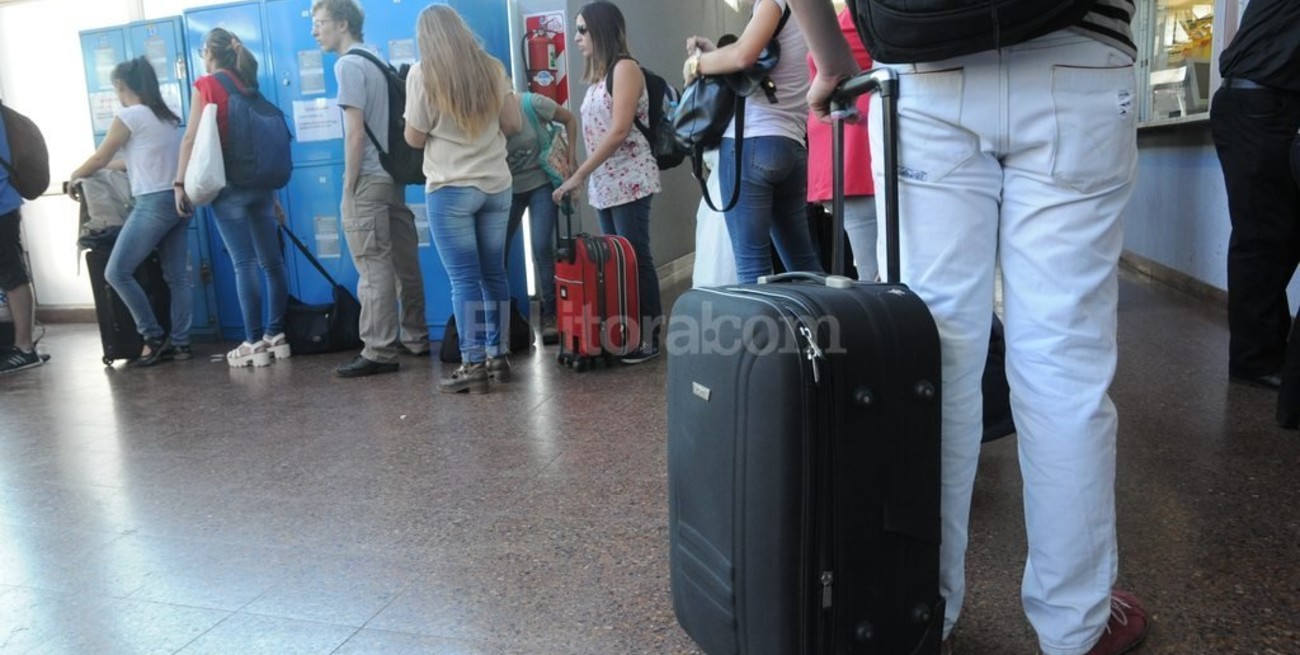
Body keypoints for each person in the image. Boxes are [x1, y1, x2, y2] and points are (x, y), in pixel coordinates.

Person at [790, 1, 1148, 654]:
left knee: (936, 359)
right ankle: (1075, 625)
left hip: (925, 65)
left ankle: (923, 610)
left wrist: (833, 59)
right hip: (1079, 46)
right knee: (1063, 364)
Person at [405, 4, 521, 394]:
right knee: (494, 274)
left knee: (464, 279)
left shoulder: (423, 74)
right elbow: (513, 124)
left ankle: (472, 363)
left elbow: (414, 137)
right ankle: (499, 356)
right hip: (495, 186)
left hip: (451, 189)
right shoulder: (491, 67)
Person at [311, 0, 429, 378]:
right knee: (404, 263)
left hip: (369, 179)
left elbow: (355, 134)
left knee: (372, 264)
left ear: (343, 24)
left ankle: (378, 350)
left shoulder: (347, 64)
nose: (315, 31)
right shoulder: (376, 58)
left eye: (321, 22)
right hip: (392, 178)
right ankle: (415, 337)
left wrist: (349, 185)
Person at [552, 0, 663, 364]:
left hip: (630, 177)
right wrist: (583, 175)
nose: (578, 36)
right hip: (606, 183)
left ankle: (649, 336)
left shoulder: (625, 68)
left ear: (601, 30)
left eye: (583, 29)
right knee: (615, 262)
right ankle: (622, 332)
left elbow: (618, 131)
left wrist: (580, 174)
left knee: (635, 256)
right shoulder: (598, 76)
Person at [174, 28, 292, 369]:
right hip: (261, 187)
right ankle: (276, 334)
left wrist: (180, 183)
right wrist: (272, 198)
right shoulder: (247, 83)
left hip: (229, 191)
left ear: (209, 53)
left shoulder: (206, 85)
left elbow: (190, 139)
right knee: (272, 262)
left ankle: (253, 341)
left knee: (244, 264)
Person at [682, 0, 822, 285]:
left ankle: (762, 332)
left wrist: (697, 64)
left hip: (749, 146)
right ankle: (827, 328)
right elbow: (760, 62)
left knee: (752, 270)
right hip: (791, 146)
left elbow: (744, 55)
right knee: (804, 265)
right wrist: (719, 54)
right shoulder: (812, 9)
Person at [1207, 0, 1300, 418]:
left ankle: (1263, 354)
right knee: (1266, 238)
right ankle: (1256, 361)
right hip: (1263, 104)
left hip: (1254, 103)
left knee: (1270, 235)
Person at [68, 57, 192, 367]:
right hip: (180, 200)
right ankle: (181, 343)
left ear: (121, 85)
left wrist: (75, 175)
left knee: (117, 271)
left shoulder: (129, 116)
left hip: (152, 203)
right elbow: (136, 160)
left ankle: (152, 336)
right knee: (177, 278)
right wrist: (103, 167)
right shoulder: (165, 117)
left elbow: (100, 157)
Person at [804, 7, 876, 281]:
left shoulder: (860, 15)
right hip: (857, 158)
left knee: (880, 280)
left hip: (857, 156)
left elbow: (831, 65)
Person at [505, 88, 577, 345]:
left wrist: (570, 160)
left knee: (541, 246)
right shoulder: (486, 117)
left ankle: (551, 315)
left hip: (541, 183)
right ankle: (504, 319)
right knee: (497, 250)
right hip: (509, 189)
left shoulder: (531, 103)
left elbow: (569, 118)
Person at [0, 102, 41, 374]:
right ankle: (23, 346)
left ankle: (25, 348)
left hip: (1, 206)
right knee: (12, 273)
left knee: (12, 275)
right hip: (6, 204)